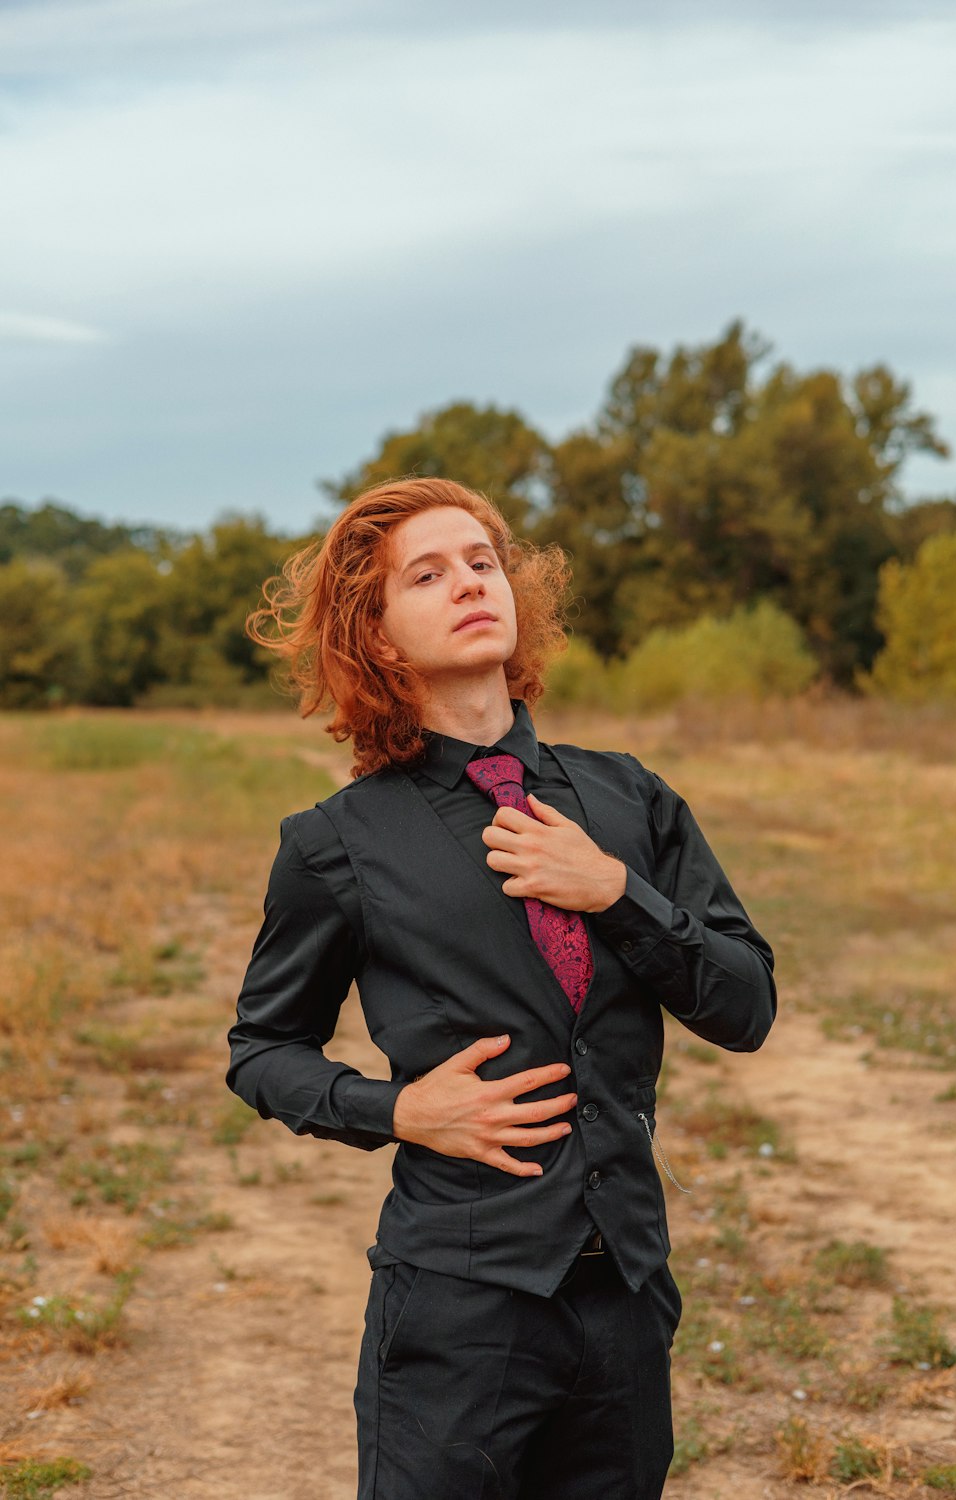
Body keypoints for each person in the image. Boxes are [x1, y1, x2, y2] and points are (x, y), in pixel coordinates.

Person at [226, 476, 776, 1499]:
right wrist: (397, 1109)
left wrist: (616, 892)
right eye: (426, 575)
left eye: (482, 561)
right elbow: (260, 1053)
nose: (470, 583)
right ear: (378, 636)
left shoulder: (630, 799)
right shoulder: (333, 846)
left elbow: (744, 1005)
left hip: (626, 1296)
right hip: (455, 1308)